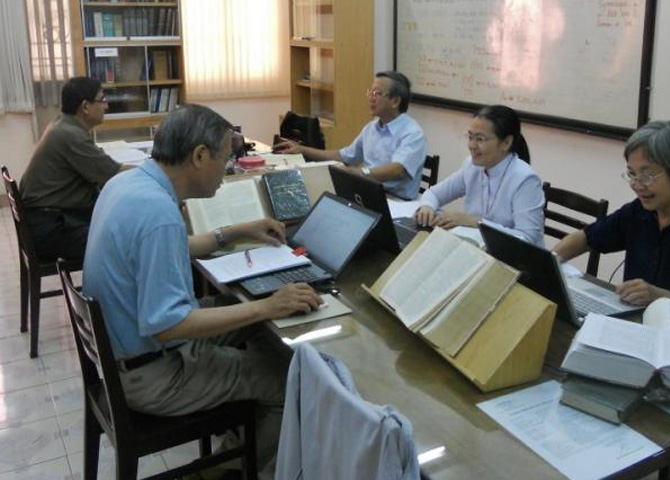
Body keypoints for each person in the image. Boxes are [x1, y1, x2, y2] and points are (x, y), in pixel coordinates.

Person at [83, 104, 322, 472]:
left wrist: (236, 231)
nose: (227, 172)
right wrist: (268, 306)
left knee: (244, 316)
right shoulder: (158, 214)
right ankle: (224, 471)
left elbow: (173, 245)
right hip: (153, 372)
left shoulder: (128, 182)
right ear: (198, 155)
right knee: (289, 381)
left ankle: (238, 437)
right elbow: (167, 325)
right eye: (225, 159)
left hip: (126, 355)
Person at [553, 121, 670, 311]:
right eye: (631, 174)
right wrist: (551, 261)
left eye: (647, 176)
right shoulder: (639, 212)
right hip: (634, 321)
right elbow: (587, 237)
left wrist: (657, 297)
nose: (636, 185)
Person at [19, 76, 131, 261]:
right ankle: (107, 289)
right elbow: (113, 174)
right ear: (85, 106)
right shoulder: (70, 135)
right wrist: (156, 170)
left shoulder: (63, 125)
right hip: (52, 231)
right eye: (102, 100)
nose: (106, 106)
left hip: (46, 221)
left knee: (119, 224)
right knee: (126, 241)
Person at [274, 71, 427, 200]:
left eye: (377, 93)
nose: (371, 97)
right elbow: (344, 156)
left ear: (395, 101)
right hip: (369, 193)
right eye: (370, 92)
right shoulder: (372, 127)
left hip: (397, 201)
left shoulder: (412, 133)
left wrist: (360, 173)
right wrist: (302, 149)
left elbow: (397, 170)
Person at [414, 105, 545, 246]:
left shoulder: (525, 180)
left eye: (480, 139)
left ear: (506, 142)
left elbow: (527, 239)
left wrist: (475, 222)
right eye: (470, 137)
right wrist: (427, 207)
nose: (471, 145)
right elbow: (434, 193)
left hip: (513, 260)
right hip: (476, 249)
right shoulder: (471, 166)